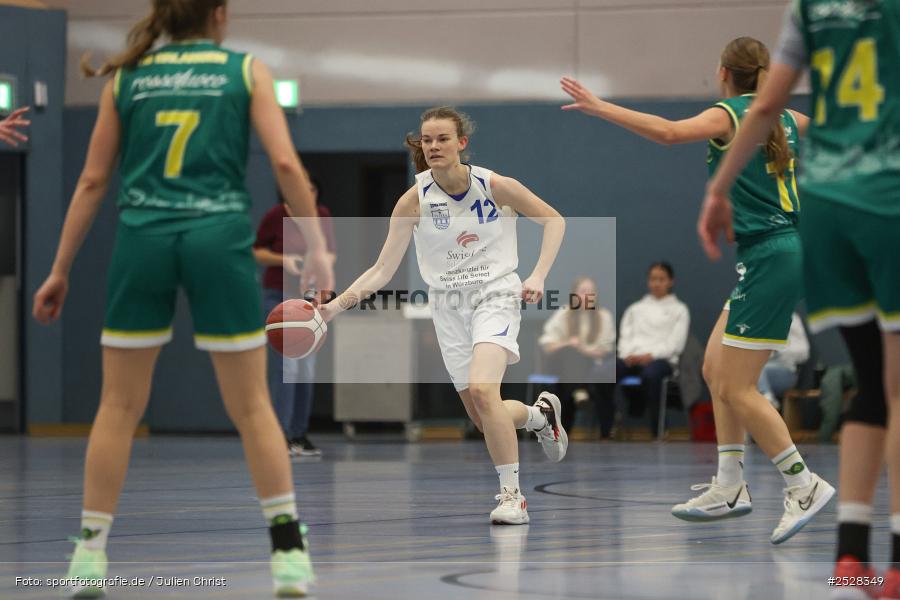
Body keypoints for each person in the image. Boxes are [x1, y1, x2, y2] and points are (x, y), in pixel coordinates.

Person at [31, 1, 333, 597]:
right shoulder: (246, 71)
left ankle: (89, 555)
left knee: (118, 406)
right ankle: (288, 554)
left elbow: (92, 180)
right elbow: (283, 162)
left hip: (143, 238)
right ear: (219, 14)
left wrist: (60, 268)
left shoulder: (128, 77)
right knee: (251, 406)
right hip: (217, 237)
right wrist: (318, 247)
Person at [562, 36, 834, 544]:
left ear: (725, 72)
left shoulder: (731, 115)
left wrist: (601, 107)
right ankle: (730, 486)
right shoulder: (789, 119)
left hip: (772, 254)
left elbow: (668, 132)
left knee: (737, 387)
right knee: (713, 367)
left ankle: (803, 483)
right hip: (769, 253)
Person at [701, 2, 900, 592]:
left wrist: (716, 193)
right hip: (885, 196)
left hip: (829, 210)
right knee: (895, 385)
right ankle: (892, 563)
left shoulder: (811, 9)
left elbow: (765, 108)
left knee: (870, 381)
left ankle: (850, 560)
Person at [318, 106, 567, 525]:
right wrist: (331, 307)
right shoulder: (413, 201)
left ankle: (512, 497)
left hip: (496, 294)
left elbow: (553, 220)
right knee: (482, 415)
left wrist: (539, 275)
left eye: (442, 139)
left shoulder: (495, 185)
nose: (433, 146)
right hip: (448, 306)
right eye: (427, 140)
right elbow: (382, 270)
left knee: (485, 392)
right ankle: (540, 416)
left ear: (461, 144)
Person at [254, 175, 337, 458]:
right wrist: (284, 260)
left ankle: (299, 434)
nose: (306, 194)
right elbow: (258, 251)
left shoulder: (321, 216)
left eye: (311, 189)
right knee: (286, 368)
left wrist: (320, 272)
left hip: (308, 298)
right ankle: (280, 435)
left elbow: (331, 253)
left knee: (307, 368)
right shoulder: (275, 215)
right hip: (278, 295)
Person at [615, 262, 689, 437]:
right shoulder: (635, 309)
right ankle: (606, 430)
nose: (657, 283)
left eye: (661, 279)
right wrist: (628, 355)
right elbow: (625, 337)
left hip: (661, 361)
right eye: (653, 279)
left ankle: (657, 431)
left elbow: (675, 344)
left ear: (671, 281)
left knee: (650, 375)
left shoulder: (679, 310)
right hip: (632, 358)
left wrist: (652, 355)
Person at [538, 276, 616, 435]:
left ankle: (563, 427)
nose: (587, 295)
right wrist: (568, 344)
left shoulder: (604, 316)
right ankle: (580, 391)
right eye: (583, 291)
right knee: (570, 354)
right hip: (560, 363)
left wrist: (582, 349)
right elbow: (547, 344)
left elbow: (605, 350)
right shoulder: (564, 313)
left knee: (568, 379)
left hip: (591, 365)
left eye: (591, 291)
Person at [758, 312, 810, 409]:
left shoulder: (792, 319)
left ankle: (768, 403)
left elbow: (804, 354)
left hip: (787, 372)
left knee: (757, 369)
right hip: (762, 371)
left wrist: (780, 349)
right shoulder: (760, 318)